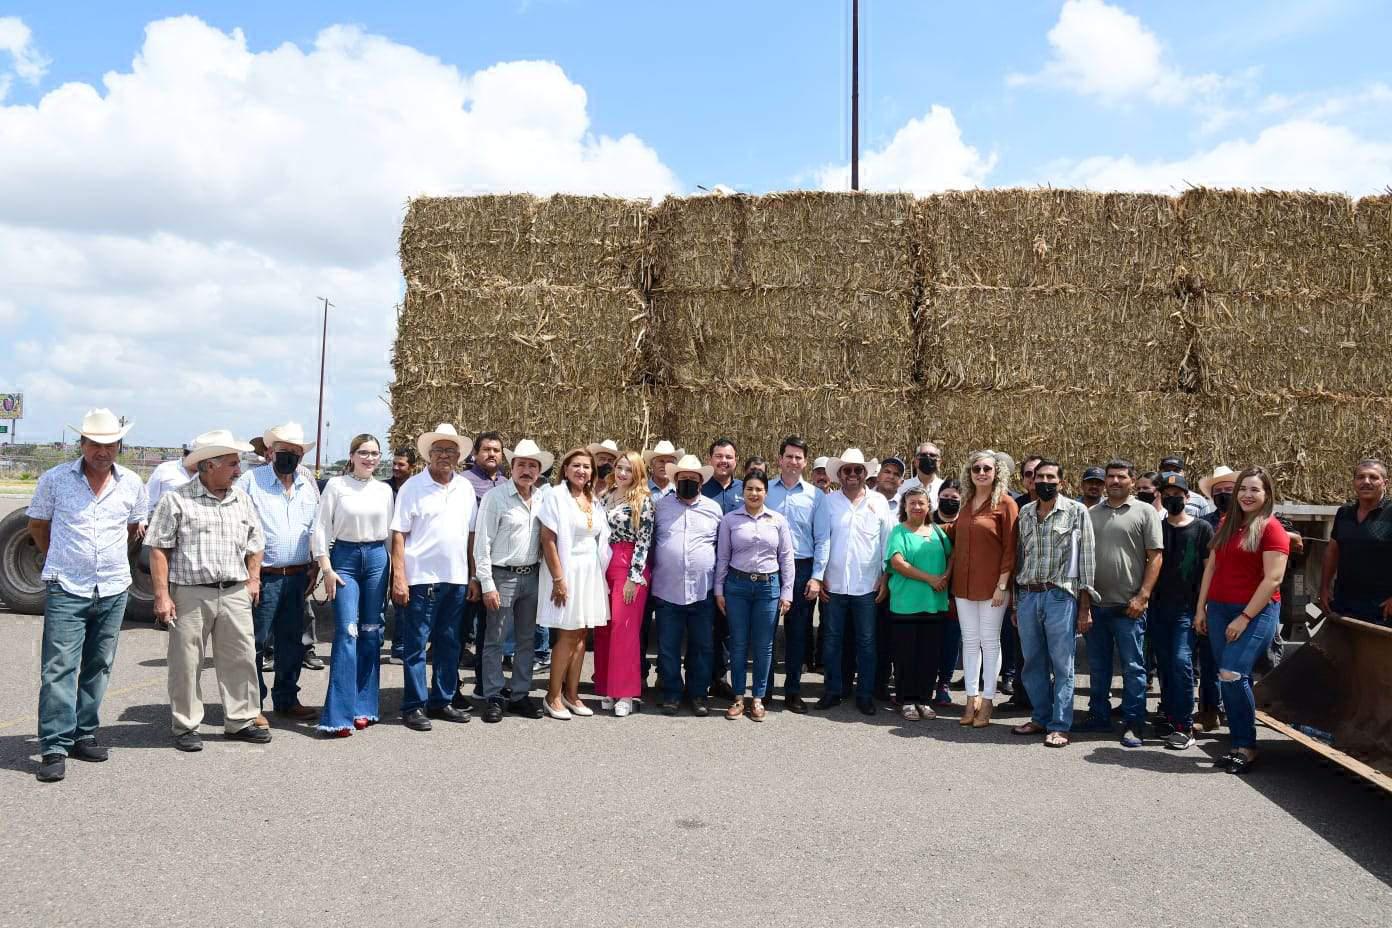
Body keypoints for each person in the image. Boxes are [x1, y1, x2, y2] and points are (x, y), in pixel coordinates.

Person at [28, 408, 149, 782]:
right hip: (68, 586)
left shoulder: (131, 483)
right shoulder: (55, 479)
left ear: (119, 446)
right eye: (95, 443)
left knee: (98, 665)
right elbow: (37, 524)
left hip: (112, 587)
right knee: (59, 668)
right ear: (81, 443)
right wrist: (59, 558)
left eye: (110, 444)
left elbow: (133, 528)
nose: (103, 451)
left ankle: (85, 733)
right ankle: (53, 745)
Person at [145, 429, 271, 753]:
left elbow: (256, 543)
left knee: (241, 658)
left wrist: (253, 579)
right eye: (231, 463)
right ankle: (186, 725)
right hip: (190, 593)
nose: (238, 470)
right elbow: (159, 549)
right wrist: (162, 595)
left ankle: (241, 720)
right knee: (186, 662)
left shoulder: (241, 499)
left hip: (234, 592)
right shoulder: (176, 500)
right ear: (208, 465)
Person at [1196, 467, 1290, 774]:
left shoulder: (1271, 528)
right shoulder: (1226, 524)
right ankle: (1237, 742)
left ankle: (1247, 745)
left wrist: (1244, 617)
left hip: (1255, 611)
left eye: (1255, 490)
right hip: (1219, 608)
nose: (1247, 495)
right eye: (1243, 489)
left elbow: (1273, 579)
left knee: (1231, 673)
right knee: (1234, 679)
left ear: (1267, 495)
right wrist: (1201, 609)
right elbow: (1211, 569)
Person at [389, 423, 476, 731]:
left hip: (455, 577)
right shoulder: (413, 486)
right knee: (416, 644)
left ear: (458, 456)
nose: (444, 455)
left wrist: (473, 575)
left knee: (450, 642)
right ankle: (413, 705)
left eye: (450, 451)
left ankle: (441, 700)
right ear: (428, 454)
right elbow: (398, 534)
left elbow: (470, 535)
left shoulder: (465, 488)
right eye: (438, 450)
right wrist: (399, 577)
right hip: (421, 577)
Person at [235, 422, 321, 721]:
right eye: (284, 451)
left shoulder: (307, 485)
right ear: (270, 452)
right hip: (264, 577)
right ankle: (252, 704)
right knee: (255, 643)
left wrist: (314, 565)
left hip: (297, 576)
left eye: (296, 452)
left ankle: (286, 699)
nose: (290, 457)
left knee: (292, 642)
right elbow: (237, 528)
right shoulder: (249, 482)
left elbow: (316, 528)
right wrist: (250, 575)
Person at [1075, 459, 1163, 747]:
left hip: (1130, 607)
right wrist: (1084, 604)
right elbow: (1083, 561)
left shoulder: (1145, 512)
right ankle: (1098, 716)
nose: (1114, 481)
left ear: (1132, 480)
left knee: (1133, 668)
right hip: (1098, 605)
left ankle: (1134, 722)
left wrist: (1143, 596)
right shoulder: (1091, 513)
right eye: (1110, 477)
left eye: (1120, 477)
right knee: (1098, 666)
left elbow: (1156, 557)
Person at [1011, 459, 1097, 748]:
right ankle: (1040, 717)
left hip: (1060, 595)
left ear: (1061, 482)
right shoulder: (1024, 512)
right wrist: (1016, 601)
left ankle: (1060, 725)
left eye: (1051, 477)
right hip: (1028, 594)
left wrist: (1084, 607)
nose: (1045, 481)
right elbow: (1019, 557)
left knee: (1063, 664)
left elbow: (1085, 560)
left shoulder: (1076, 511)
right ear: (1032, 481)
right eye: (1040, 477)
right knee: (1032, 662)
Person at [313, 433, 394, 736]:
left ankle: (365, 706)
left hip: (376, 559)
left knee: (372, 632)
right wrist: (326, 568)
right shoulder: (336, 486)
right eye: (363, 452)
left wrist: (395, 570)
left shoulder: (385, 490)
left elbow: (389, 534)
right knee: (347, 632)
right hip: (344, 557)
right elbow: (320, 527)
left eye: (374, 453)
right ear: (352, 456)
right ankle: (338, 714)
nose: (369, 458)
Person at [472, 439, 552, 723]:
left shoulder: (544, 498)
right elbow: (482, 543)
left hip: (532, 576)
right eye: (521, 465)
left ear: (539, 471)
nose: (526, 470)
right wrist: (487, 583)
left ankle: (519, 694)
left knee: (527, 640)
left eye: (532, 465)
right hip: (502, 575)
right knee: (494, 639)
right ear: (512, 466)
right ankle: (493, 695)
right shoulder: (496, 498)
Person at [810, 447, 891, 716]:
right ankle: (833, 690)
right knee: (832, 640)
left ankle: (865, 694)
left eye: (858, 470)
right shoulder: (828, 502)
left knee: (867, 642)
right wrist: (819, 578)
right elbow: (821, 540)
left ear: (865, 473)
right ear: (840, 474)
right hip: (834, 585)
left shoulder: (879, 502)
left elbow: (886, 543)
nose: (853, 474)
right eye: (847, 470)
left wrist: (885, 577)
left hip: (867, 586)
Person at [537, 448, 611, 720]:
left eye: (587, 467)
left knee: (582, 634)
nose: (582, 471)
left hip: (590, 571)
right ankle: (552, 695)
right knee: (567, 634)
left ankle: (571, 693)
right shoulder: (555, 496)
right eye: (576, 465)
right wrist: (559, 579)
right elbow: (548, 539)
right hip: (567, 571)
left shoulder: (593, 498)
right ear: (565, 469)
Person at [715, 471, 794, 721]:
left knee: (764, 646)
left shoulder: (778, 520)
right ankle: (739, 697)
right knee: (738, 643)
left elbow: (786, 558)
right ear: (743, 491)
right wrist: (719, 589)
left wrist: (787, 591)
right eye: (749, 488)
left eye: (759, 489)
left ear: (766, 492)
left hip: (768, 588)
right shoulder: (730, 520)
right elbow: (723, 558)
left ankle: (758, 698)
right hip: (736, 586)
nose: (754, 493)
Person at [948, 450, 1019, 729]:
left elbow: (1011, 548)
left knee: (989, 642)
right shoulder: (966, 503)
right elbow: (954, 535)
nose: (981, 473)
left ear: (996, 473)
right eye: (976, 468)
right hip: (964, 585)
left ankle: (988, 699)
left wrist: (1003, 584)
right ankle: (971, 698)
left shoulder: (1006, 504)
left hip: (993, 586)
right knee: (969, 641)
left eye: (987, 469)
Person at [651, 454, 723, 716]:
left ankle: (698, 694)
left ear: (701, 482)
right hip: (667, 589)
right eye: (683, 479)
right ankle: (671, 692)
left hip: (701, 591)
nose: (688, 483)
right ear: (675, 480)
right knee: (668, 647)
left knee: (702, 647)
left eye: (693, 479)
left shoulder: (714, 510)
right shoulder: (660, 506)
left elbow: (721, 550)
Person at [1150, 473, 1214, 750]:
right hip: (1157, 608)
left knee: (1181, 662)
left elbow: (1209, 570)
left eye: (1178, 494)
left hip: (1186, 609)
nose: (1172, 498)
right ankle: (1171, 716)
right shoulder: (1156, 527)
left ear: (1188, 498)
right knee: (1164, 665)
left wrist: (1204, 606)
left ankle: (1185, 725)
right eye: (1167, 494)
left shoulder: (1201, 529)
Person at [884, 486, 953, 721]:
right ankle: (906, 700)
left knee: (929, 656)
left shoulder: (936, 531)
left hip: (934, 604)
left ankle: (924, 699)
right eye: (912, 502)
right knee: (905, 656)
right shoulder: (898, 532)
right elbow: (898, 563)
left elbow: (952, 555)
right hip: (905, 605)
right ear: (904, 506)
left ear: (928, 506)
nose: (916, 507)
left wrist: (945, 576)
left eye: (921, 503)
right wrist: (931, 579)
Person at [595, 451, 654, 717]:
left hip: (629, 563)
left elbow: (644, 541)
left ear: (638, 473)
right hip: (604, 562)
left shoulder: (643, 500)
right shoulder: (605, 496)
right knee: (605, 627)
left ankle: (626, 693)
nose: (622, 473)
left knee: (624, 628)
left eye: (628, 470)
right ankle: (608, 687)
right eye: (619, 467)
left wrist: (634, 576)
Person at [766, 436, 821, 714]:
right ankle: (764, 692)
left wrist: (817, 576)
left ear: (805, 462)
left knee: (797, 633)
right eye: (789, 456)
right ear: (780, 459)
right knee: (766, 632)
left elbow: (823, 539)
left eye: (798, 457)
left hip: (802, 568)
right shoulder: (765, 491)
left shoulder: (815, 496)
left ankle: (793, 691)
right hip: (769, 567)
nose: (793, 461)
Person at [1319, 458, 1392, 626]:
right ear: (1354, 482)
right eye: (1360, 477)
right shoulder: (1344, 513)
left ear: (1385, 482)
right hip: (1345, 604)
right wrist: (1323, 588)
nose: (1366, 482)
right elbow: (1333, 551)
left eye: (1373, 477)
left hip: (1382, 608)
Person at [463, 431, 506, 695]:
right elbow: (468, 533)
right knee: (459, 632)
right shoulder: (464, 483)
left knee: (490, 632)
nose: (491, 454)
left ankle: (484, 683)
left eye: (496, 450)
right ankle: (448, 690)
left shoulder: (506, 484)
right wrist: (473, 575)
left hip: (494, 568)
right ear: (475, 454)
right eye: (486, 449)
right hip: (469, 567)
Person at [702, 438, 744, 699]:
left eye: (728, 457)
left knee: (728, 628)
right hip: (706, 567)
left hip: (735, 570)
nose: (723, 461)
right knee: (704, 627)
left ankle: (721, 678)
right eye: (718, 456)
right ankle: (700, 678)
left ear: (735, 460)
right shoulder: (700, 489)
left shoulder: (747, 489)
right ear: (710, 460)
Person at [639, 440, 682, 683]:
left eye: (669, 461)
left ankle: (666, 675)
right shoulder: (641, 490)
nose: (665, 465)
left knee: (670, 630)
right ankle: (640, 672)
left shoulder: (683, 492)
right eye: (660, 460)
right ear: (651, 464)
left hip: (670, 572)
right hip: (644, 568)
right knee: (641, 627)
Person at [871, 455, 907, 698]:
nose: (890, 477)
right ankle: (869, 681)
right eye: (887, 471)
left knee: (891, 634)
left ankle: (885, 683)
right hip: (869, 578)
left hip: (899, 579)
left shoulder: (907, 506)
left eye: (896, 474)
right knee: (869, 634)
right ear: (878, 474)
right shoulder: (866, 500)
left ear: (901, 480)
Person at [382, 447, 416, 663]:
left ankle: (400, 646)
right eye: (394, 463)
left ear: (411, 466)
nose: (396, 468)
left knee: (404, 599)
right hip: (384, 550)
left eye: (401, 464)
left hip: (407, 551)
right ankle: (373, 643)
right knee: (379, 600)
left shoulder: (416, 488)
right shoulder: (383, 488)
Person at [931, 479, 964, 707]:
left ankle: (944, 683)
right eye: (945, 497)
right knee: (927, 640)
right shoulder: (925, 519)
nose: (949, 501)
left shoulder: (965, 524)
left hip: (955, 592)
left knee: (951, 640)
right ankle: (923, 682)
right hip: (927, 589)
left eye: (954, 499)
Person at [146, 443, 195, 514]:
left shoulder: (209, 472)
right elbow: (149, 496)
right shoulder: (165, 468)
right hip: (165, 519)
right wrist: (143, 520)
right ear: (186, 455)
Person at [898, 441, 944, 510]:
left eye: (932, 455)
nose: (928, 458)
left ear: (939, 462)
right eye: (923, 455)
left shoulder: (945, 489)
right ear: (916, 461)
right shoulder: (902, 487)